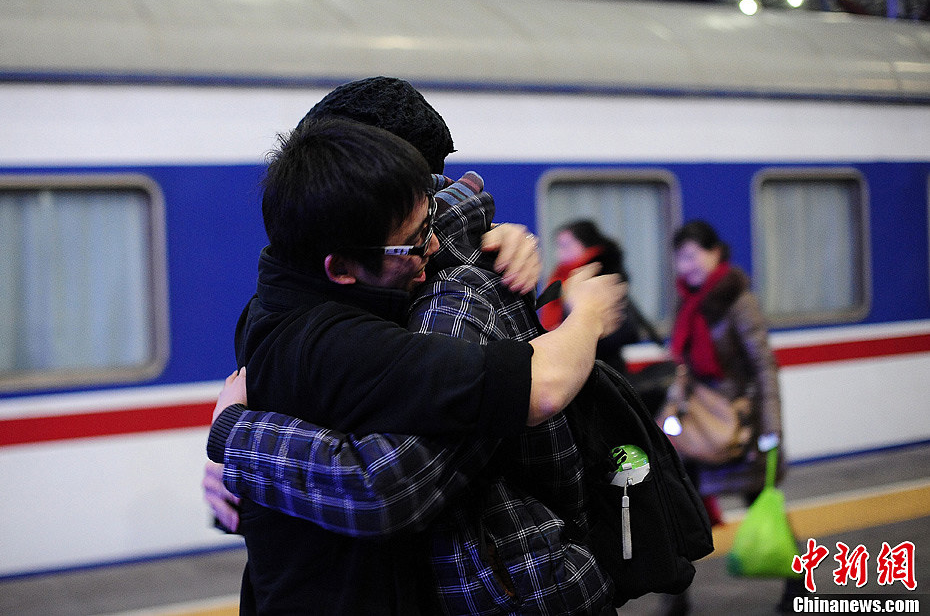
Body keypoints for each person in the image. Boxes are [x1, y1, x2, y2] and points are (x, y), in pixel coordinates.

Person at [209, 117, 624, 615]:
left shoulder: (272, 301)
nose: (430, 245)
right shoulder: (346, 343)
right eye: (414, 238)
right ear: (339, 267)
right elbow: (541, 390)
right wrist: (589, 315)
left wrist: (492, 233)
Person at [665, 219, 793, 615]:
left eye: (693, 255)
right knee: (679, 508)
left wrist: (771, 428)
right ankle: (677, 597)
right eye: (679, 257)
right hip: (700, 423)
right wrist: (671, 410)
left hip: (741, 425)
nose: (686, 265)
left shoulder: (738, 299)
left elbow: (763, 367)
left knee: (762, 504)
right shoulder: (687, 302)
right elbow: (683, 366)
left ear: (715, 252)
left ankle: (797, 585)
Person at [539, 219, 648, 373]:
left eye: (566, 245)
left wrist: (577, 332)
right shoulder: (561, 277)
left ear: (586, 244)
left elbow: (620, 329)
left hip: (601, 367)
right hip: (572, 364)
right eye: (558, 246)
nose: (559, 253)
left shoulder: (601, 277)